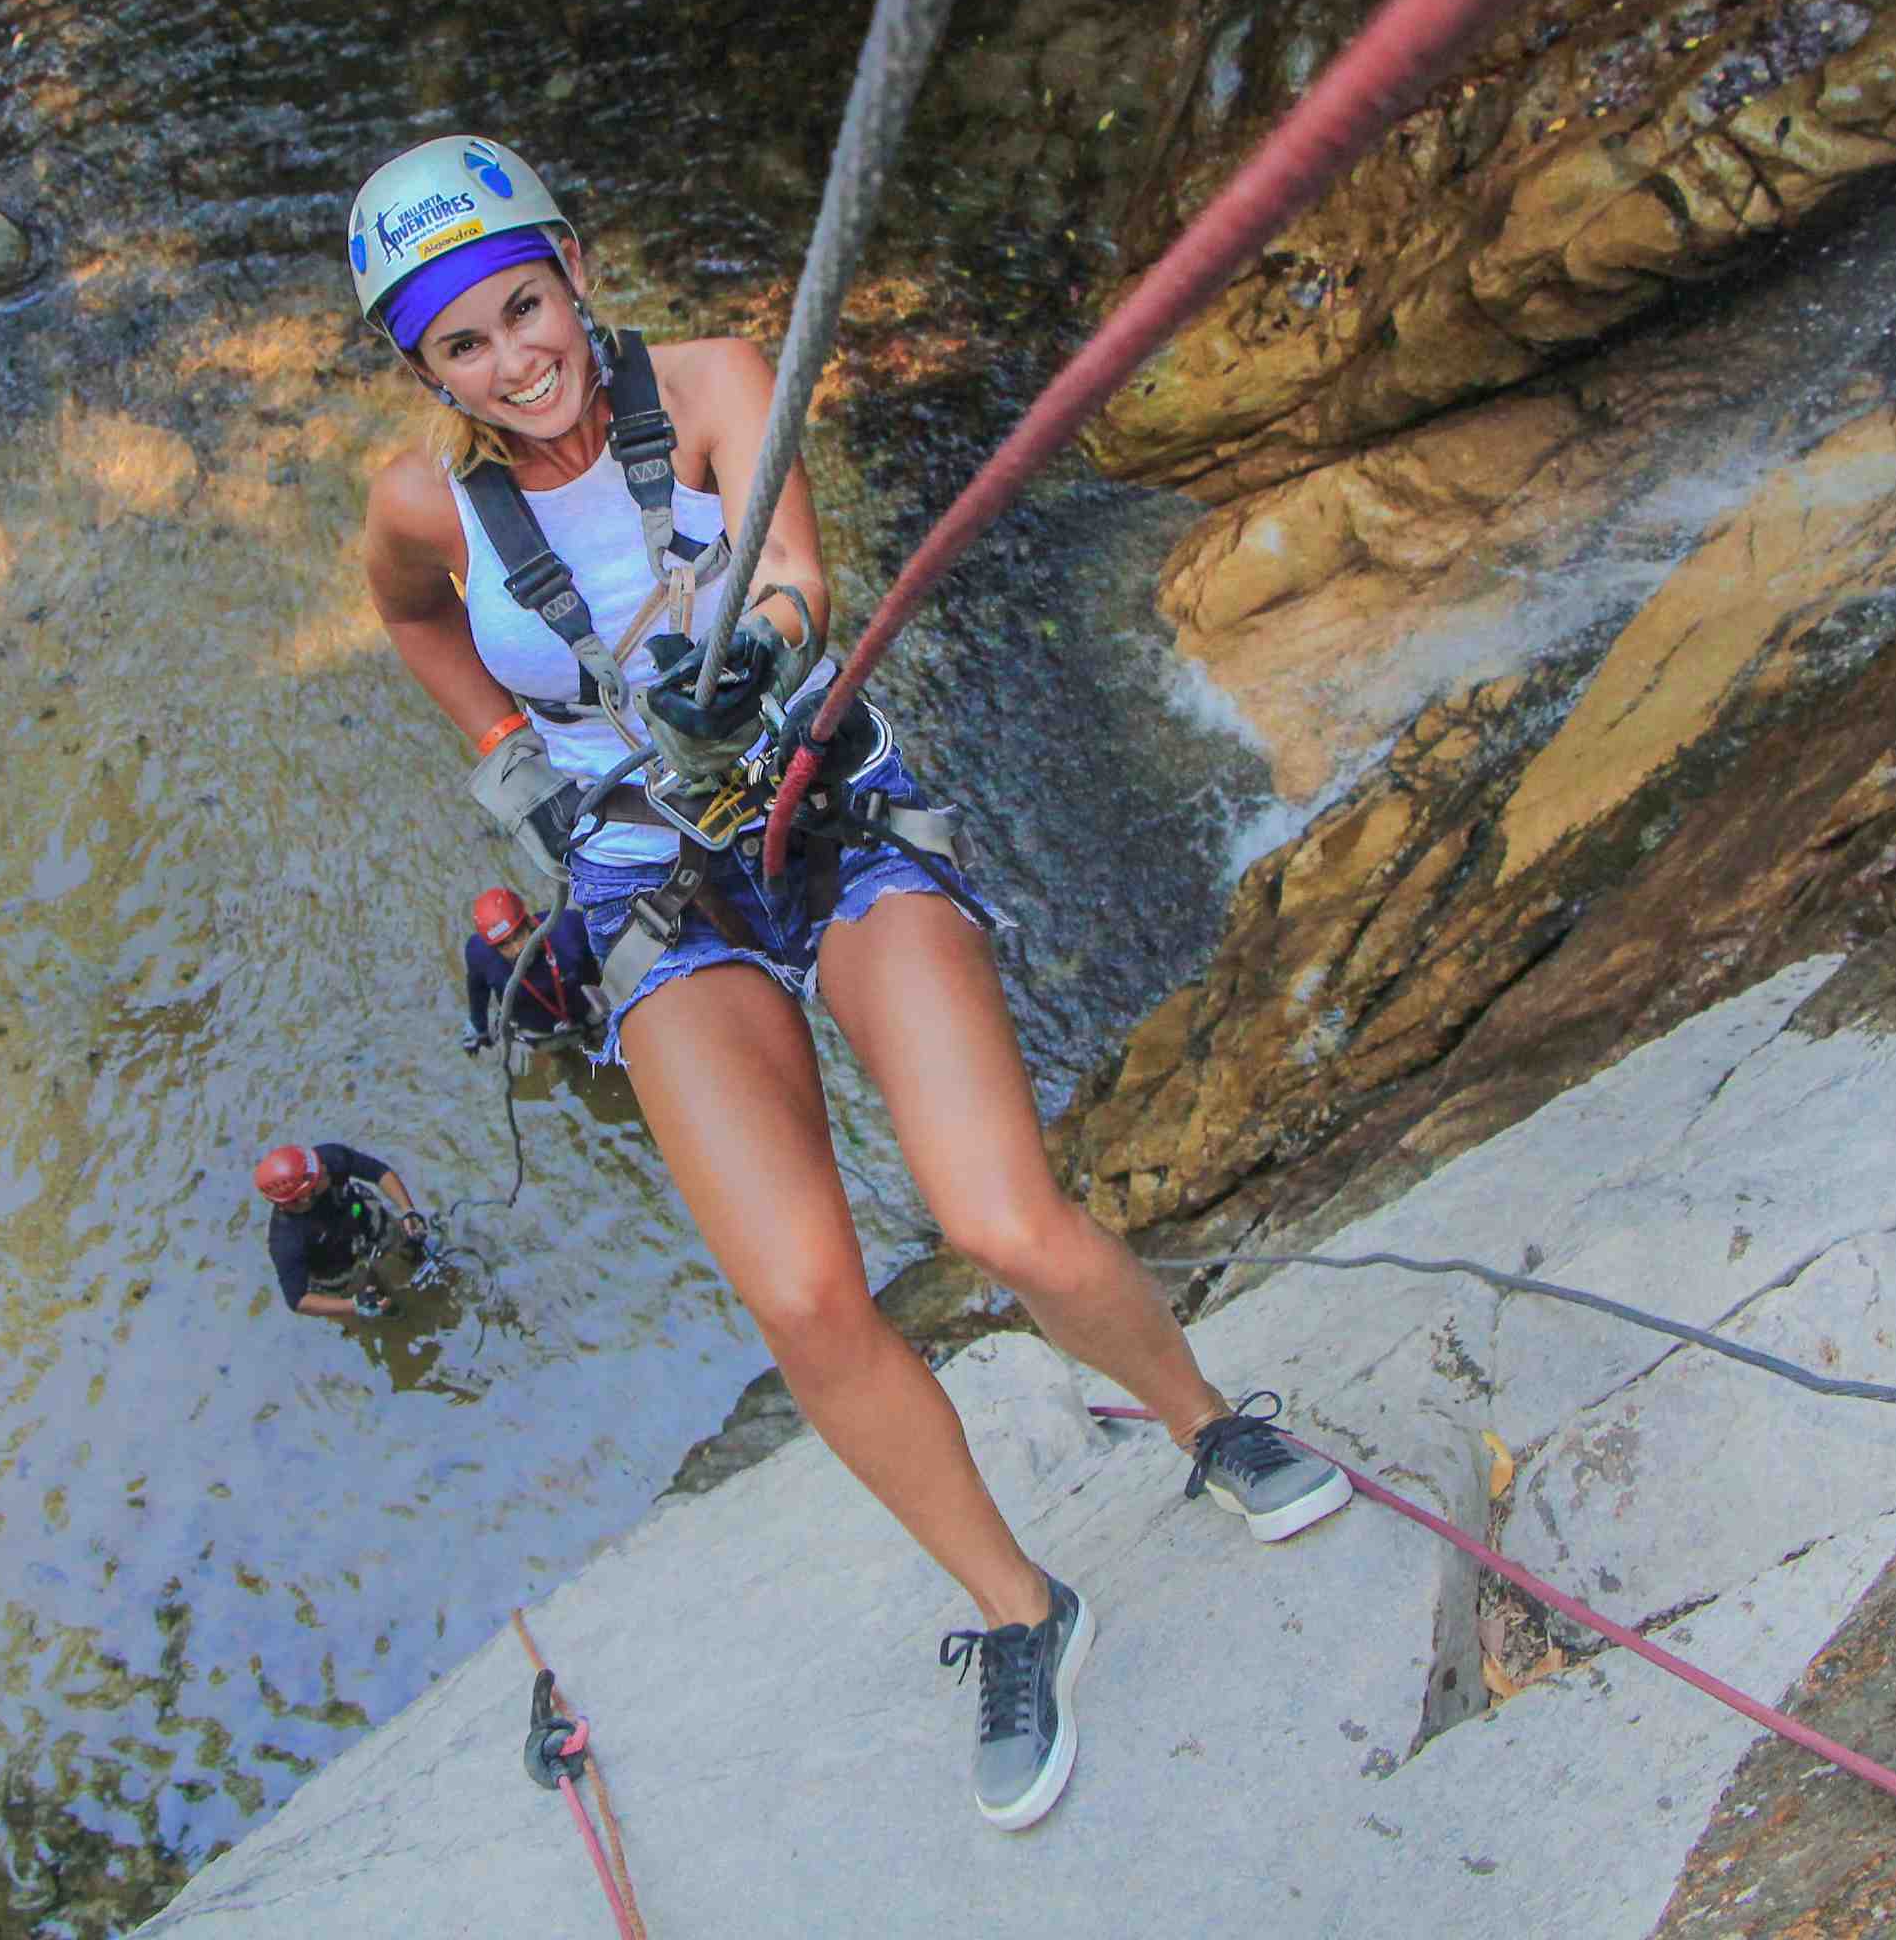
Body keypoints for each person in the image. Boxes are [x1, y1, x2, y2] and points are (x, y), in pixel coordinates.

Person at [349, 136, 1349, 1832]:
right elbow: (414, 619)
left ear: (575, 267)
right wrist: (508, 754)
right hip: (644, 874)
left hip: (823, 804)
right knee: (807, 1300)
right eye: (465, 344)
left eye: (526, 304)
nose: (516, 358)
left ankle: (1205, 1419)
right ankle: (1022, 1607)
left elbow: (796, 576)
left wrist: (753, 650)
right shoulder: (418, 507)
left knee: (995, 1216)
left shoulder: (725, 376)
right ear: (422, 367)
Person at [257, 1142, 429, 1322]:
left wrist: (408, 1210)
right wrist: (354, 1305)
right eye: (318, 1175)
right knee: (380, 1310)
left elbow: (378, 1172)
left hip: (363, 1220)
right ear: (303, 1197)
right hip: (339, 1272)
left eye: (319, 1165)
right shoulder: (286, 1241)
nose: (324, 1168)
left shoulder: (329, 1158)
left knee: (411, 1247)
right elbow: (298, 1300)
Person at [461, 885, 606, 1053]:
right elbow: (477, 991)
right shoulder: (480, 956)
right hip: (538, 1032)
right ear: (493, 948)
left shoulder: (567, 929)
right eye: (504, 945)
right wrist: (479, 1028)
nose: (516, 950)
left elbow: (601, 957)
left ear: (529, 921)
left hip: (586, 1010)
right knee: (559, 1056)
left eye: (518, 936)